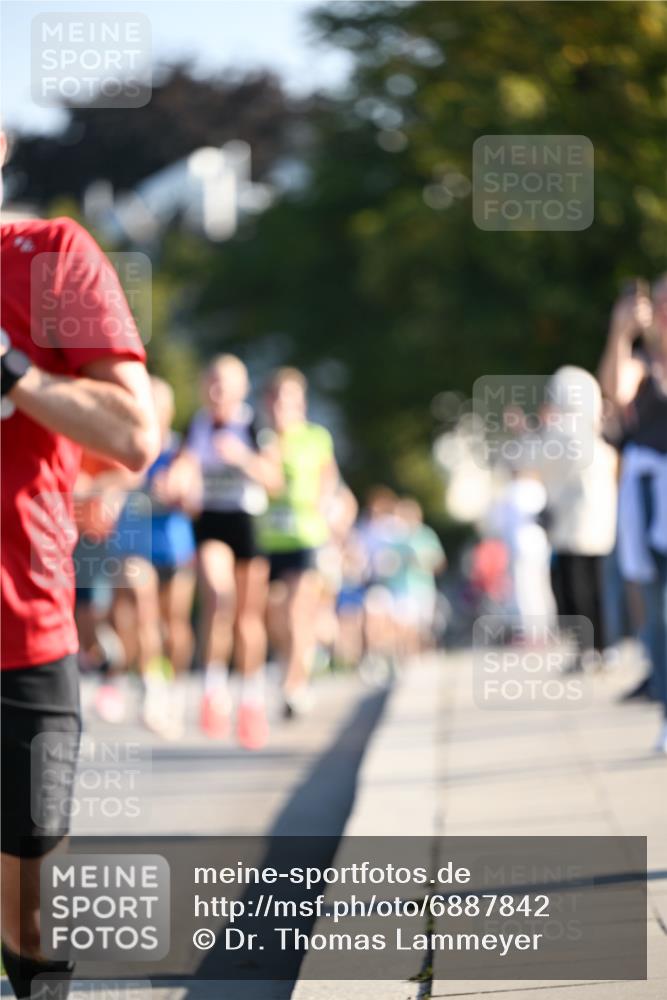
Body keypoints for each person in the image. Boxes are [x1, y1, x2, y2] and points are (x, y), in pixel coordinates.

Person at [1, 131, 158, 1000]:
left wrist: (13, 374)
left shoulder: (51, 257)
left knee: (24, 917)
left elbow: (135, 435)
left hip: (20, 631)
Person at [167, 355, 281, 748]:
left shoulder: (254, 425)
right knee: (218, 597)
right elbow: (183, 465)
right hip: (210, 519)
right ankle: (213, 691)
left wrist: (242, 458)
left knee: (247, 619)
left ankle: (250, 701)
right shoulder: (197, 424)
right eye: (210, 383)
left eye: (224, 384)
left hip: (246, 521)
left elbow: (275, 480)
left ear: (241, 388)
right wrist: (177, 483)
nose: (216, 392)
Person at [599, 276, 667, 751]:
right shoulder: (642, 365)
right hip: (650, 497)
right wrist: (621, 333)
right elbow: (615, 391)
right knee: (658, 607)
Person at [111, 377, 196, 739]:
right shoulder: (123, 441)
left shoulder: (181, 450)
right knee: (143, 611)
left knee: (174, 624)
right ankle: (151, 690)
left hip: (174, 547)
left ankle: (175, 689)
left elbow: (193, 501)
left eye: (158, 404)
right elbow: (110, 482)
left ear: (169, 411)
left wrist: (178, 490)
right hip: (135, 546)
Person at [260, 367, 340, 716]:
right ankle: (295, 662)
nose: (283, 406)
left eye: (290, 399)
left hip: (305, 535)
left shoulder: (315, 437)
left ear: (301, 403)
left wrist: (323, 507)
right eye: (277, 399)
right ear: (268, 402)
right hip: (267, 538)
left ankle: (293, 685)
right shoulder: (262, 439)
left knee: (296, 610)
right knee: (272, 614)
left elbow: (329, 476)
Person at [538, 367, 618, 669]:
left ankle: (589, 648)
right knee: (595, 586)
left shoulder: (567, 432)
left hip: (577, 524)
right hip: (586, 522)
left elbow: (544, 464)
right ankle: (598, 647)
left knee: (578, 588)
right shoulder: (590, 433)